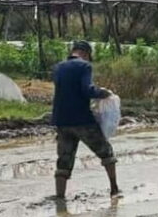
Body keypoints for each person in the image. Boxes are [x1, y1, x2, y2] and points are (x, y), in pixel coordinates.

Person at [51, 41, 119, 199]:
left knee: (64, 160)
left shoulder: (58, 67)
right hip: (82, 120)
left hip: (61, 121)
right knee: (106, 152)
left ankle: (60, 197)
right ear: (87, 54)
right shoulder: (84, 66)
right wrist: (103, 93)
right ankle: (114, 189)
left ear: (72, 51)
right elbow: (87, 90)